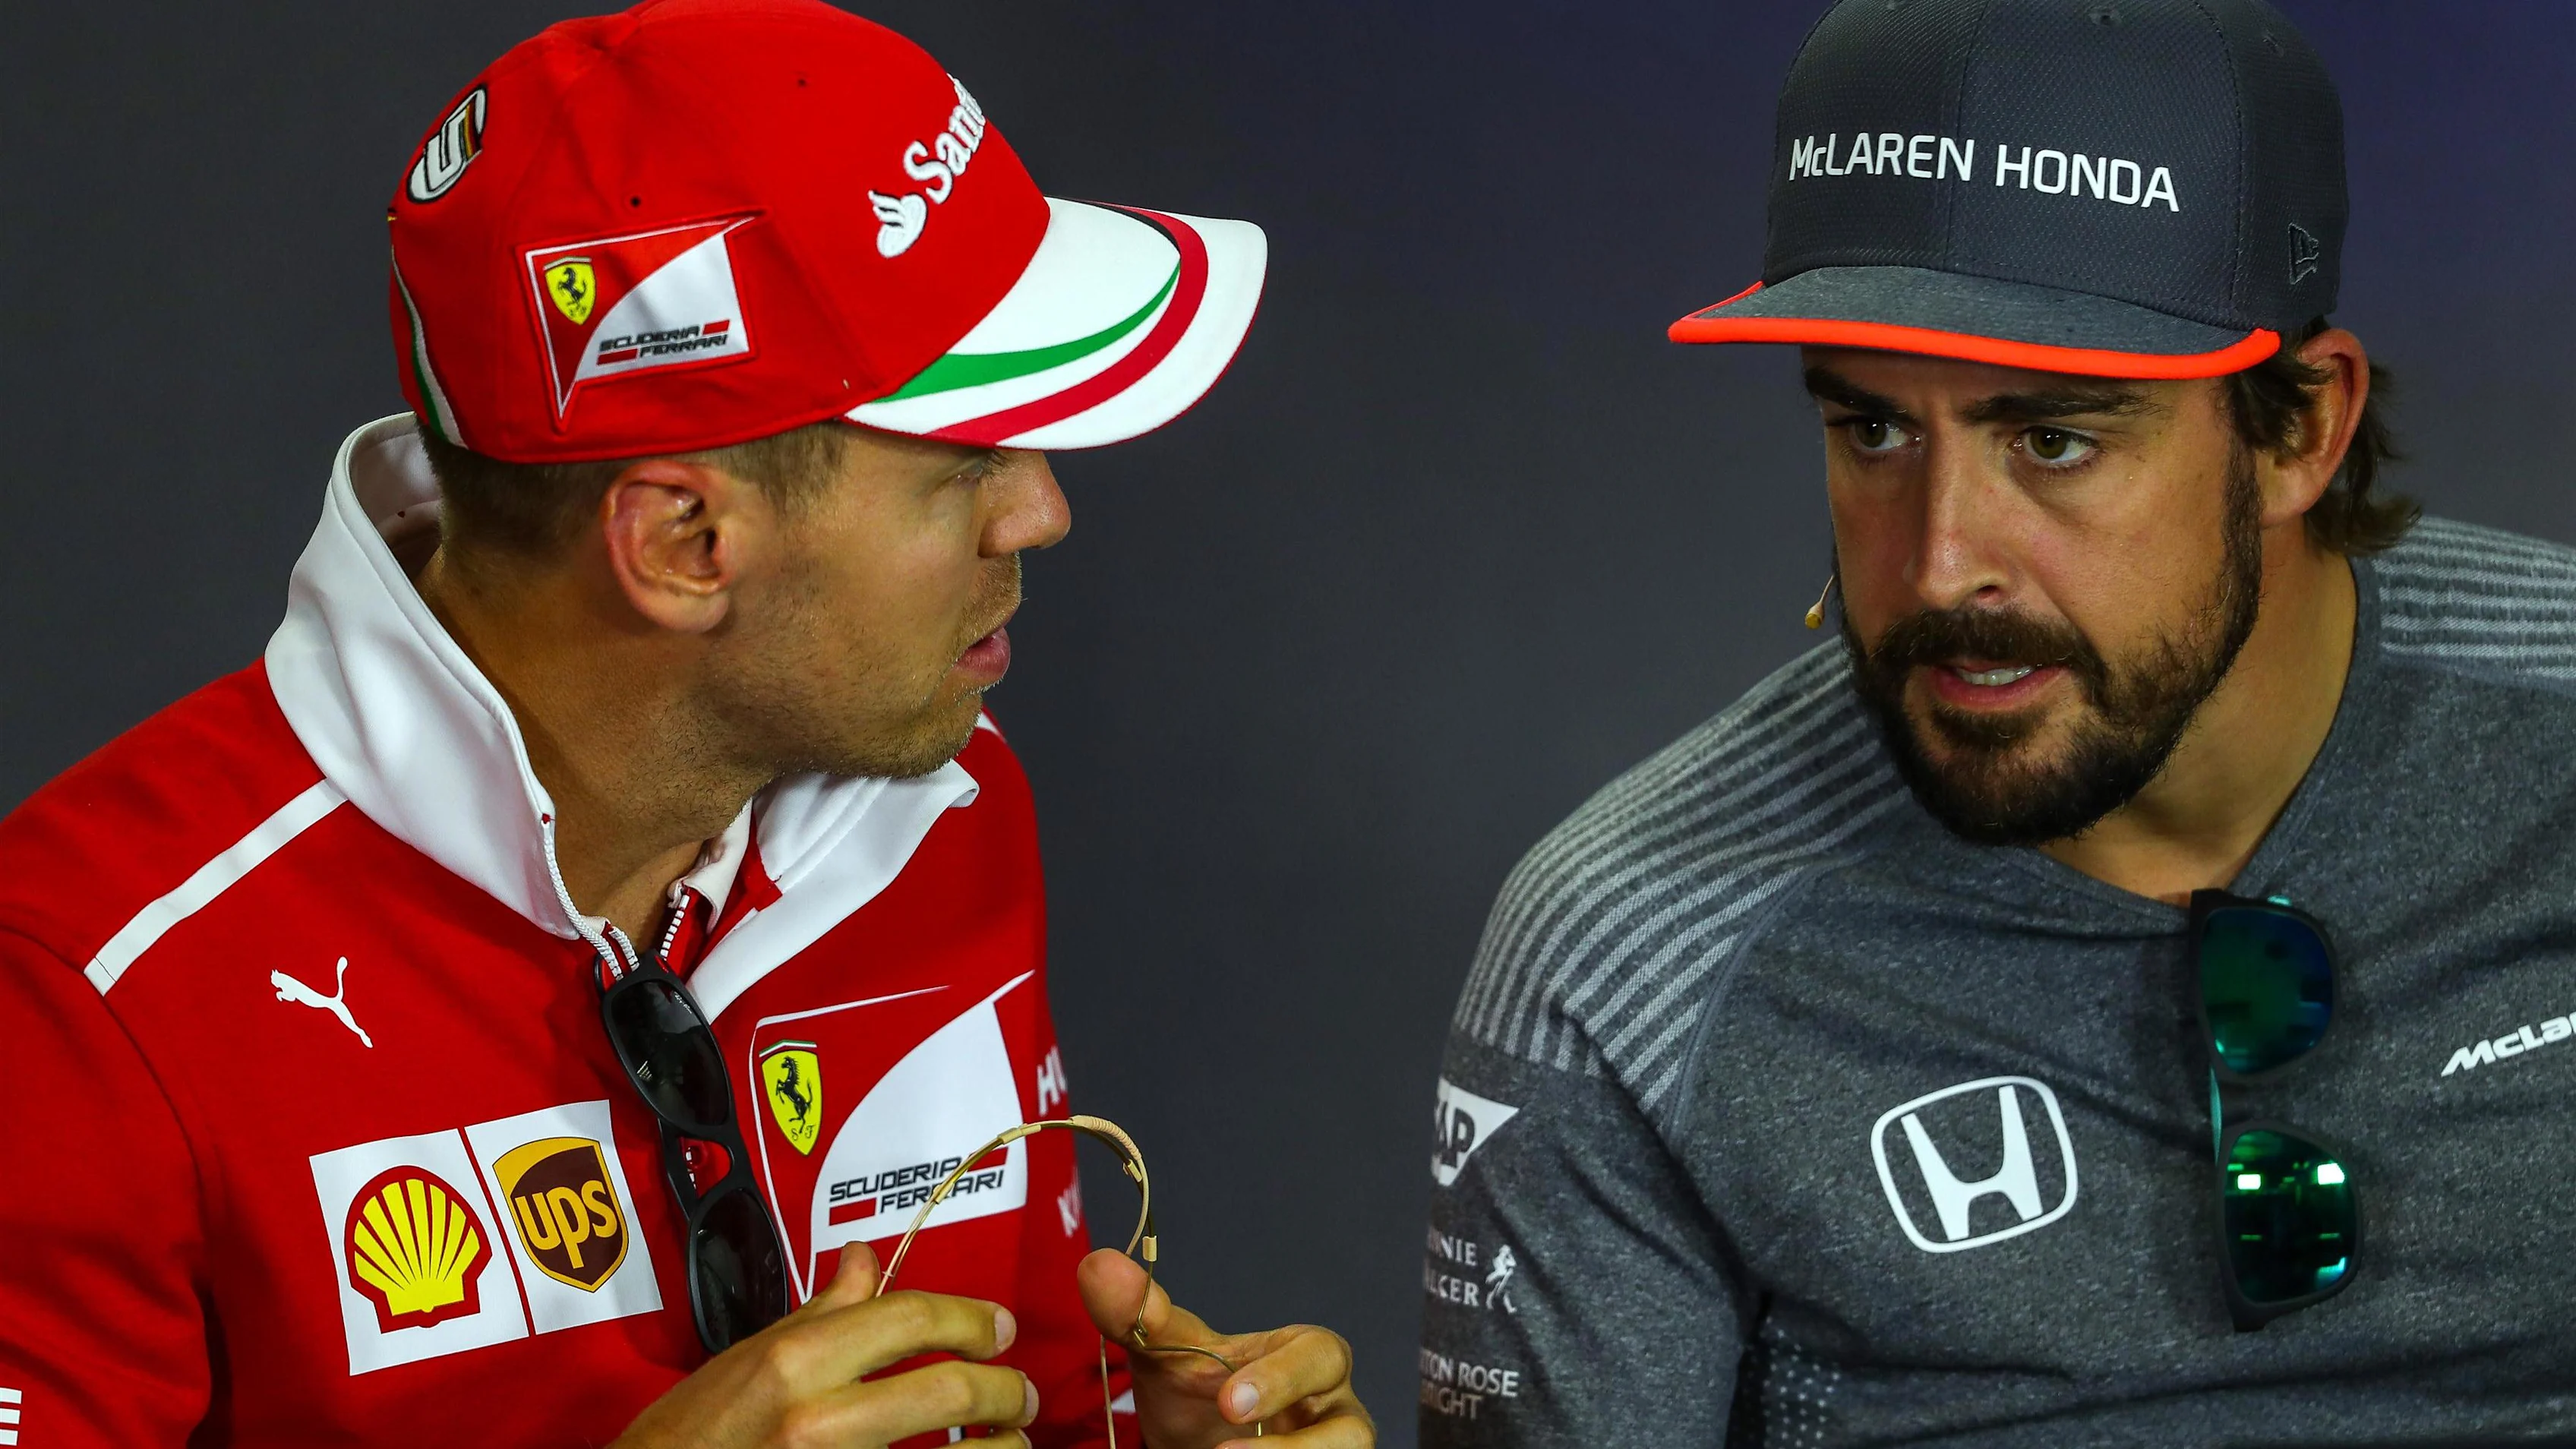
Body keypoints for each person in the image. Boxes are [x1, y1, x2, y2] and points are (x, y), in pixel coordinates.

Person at [0, 3, 1373, 1447]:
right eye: (969, 454)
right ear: (683, 545)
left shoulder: (943, 800)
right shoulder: (86, 989)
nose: (1042, 509)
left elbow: (1024, 1398)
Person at [1422, 0, 2576, 1443]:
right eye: (1875, 431)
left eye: (2054, 440)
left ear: (2298, 429)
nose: (1937, 562)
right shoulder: (1633, 947)